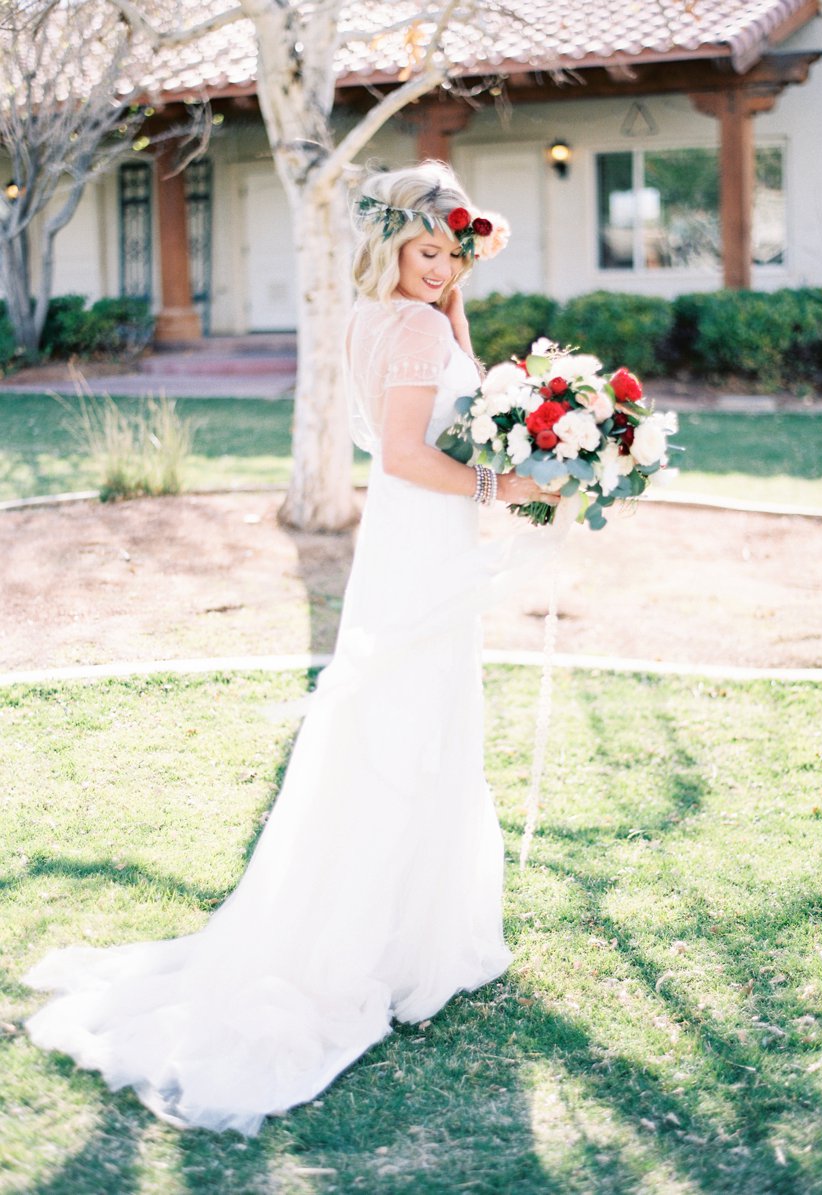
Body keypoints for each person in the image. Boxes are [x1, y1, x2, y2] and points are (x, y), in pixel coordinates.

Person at [23, 161, 556, 1136]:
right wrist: (505, 490)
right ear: (390, 244)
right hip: (415, 537)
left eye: (452, 253)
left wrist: (475, 350)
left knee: (427, 722)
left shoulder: (413, 316)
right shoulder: (400, 323)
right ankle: (360, 940)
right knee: (401, 729)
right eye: (424, 251)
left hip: (419, 540)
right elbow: (402, 454)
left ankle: (409, 930)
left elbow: (463, 410)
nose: (439, 269)